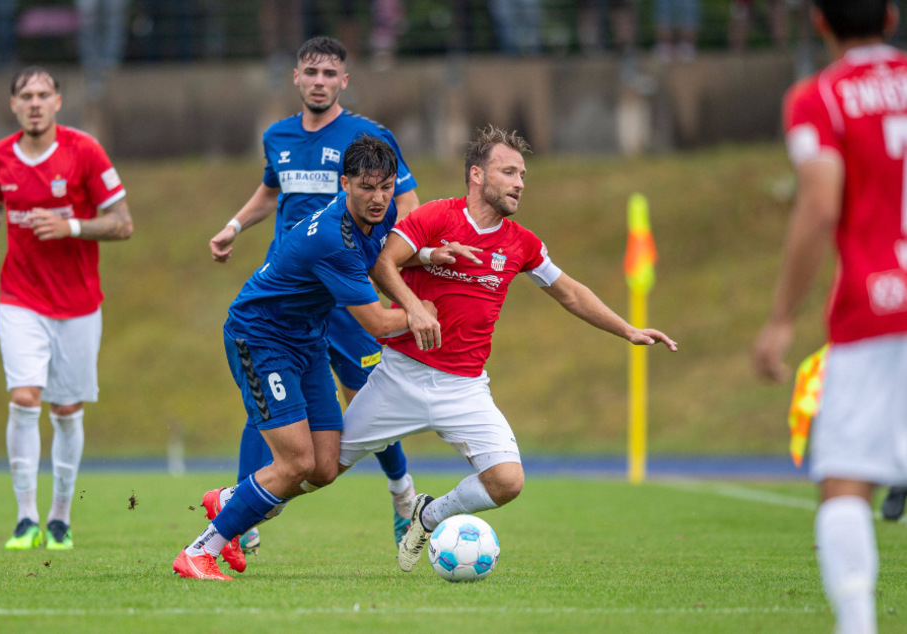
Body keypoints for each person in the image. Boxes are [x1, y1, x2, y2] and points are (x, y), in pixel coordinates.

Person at [342, 124, 677, 572]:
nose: (521, 182)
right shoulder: (434, 217)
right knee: (318, 469)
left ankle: (428, 515)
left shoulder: (522, 244)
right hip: (401, 374)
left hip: (464, 387)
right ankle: (232, 509)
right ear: (478, 176)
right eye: (510, 172)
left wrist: (628, 330)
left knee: (507, 481)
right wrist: (415, 310)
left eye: (522, 174)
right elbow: (383, 264)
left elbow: (570, 293)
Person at [173, 135, 438, 581]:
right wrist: (421, 312)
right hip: (260, 337)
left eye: (387, 186)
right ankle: (200, 551)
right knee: (295, 462)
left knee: (325, 466)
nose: (378, 199)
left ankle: (231, 499)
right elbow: (375, 323)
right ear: (344, 183)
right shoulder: (332, 238)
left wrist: (425, 262)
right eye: (367, 187)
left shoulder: (381, 214)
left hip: (306, 340)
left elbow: (376, 263)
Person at [208, 35, 421, 556]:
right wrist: (236, 225)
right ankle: (241, 516)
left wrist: (416, 271)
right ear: (297, 78)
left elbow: (409, 214)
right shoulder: (278, 136)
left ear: (344, 80)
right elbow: (271, 191)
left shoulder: (369, 137)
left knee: (366, 395)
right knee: (276, 411)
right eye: (311, 72)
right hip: (292, 292)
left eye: (330, 74)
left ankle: (401, 495)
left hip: (345, 293)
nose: (320, 82)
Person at [752, 2, 906, 632]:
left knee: (844, 484)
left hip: (877, 305)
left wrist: (782, 318)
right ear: (892, 17)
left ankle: (858, 626)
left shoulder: (821, 98)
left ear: (820, 22)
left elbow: (819, 208)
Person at [0, 66, 134, 551]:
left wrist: (73, 228)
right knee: (24, 399)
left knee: (65, 408)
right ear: (14, 104)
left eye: (44, 94)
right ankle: (25, 518)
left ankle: (59, 518)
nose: (35, 102)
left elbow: (123, 224)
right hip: (20, 298)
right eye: (26, 95)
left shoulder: (84, 150)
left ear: (58, 101)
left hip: (79, 304)